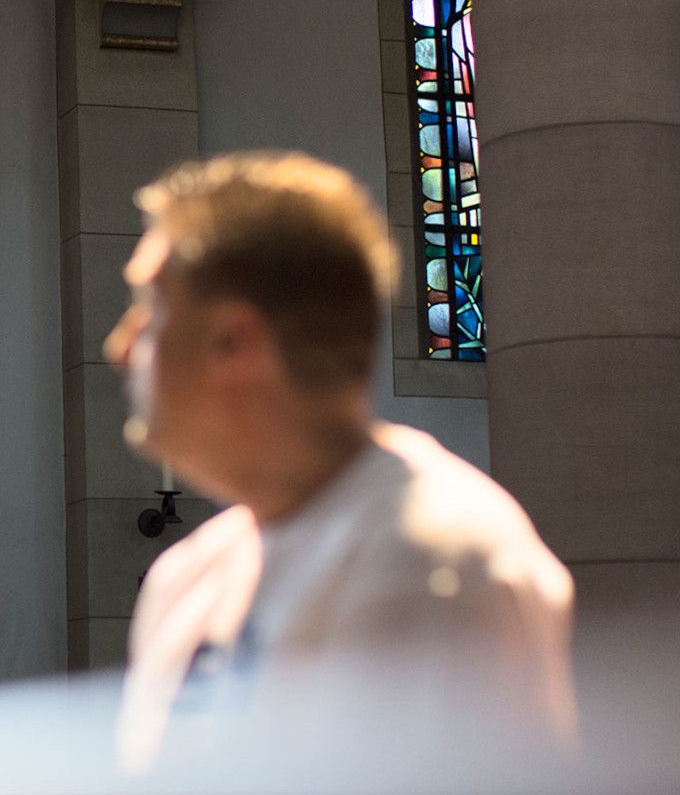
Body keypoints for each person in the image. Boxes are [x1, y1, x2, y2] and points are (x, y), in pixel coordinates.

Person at [107, 152, 575, 776]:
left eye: (152, 309)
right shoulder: (189, 576)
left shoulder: (433, 564)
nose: (121, 346)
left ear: (235, 342)